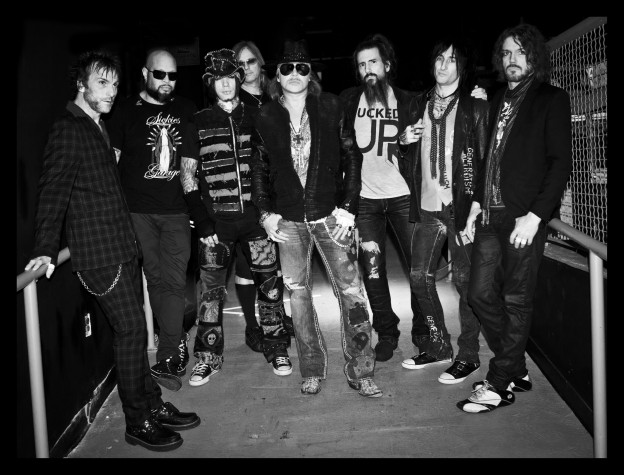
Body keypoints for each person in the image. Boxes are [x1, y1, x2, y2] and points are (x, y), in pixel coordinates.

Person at [24, 50, 199, 451]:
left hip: (119, 246)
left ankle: (151, 404)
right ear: (81, 84)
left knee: (132, 330)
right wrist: (46, 247)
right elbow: (52, 189)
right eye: (101, 83)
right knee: (133, 329)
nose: (111, 91)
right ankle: (138, 420)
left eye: (115, 84)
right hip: (98, 252)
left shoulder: (98, 125)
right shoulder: (69, 128)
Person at [340, 34, 487, 363]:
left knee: (419, 272)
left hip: (407, 198)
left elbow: (448, 119)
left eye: (373, 62)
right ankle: (387, 333)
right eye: (361, 65)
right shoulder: (348, 101)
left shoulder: (410, 102)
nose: (368, 69)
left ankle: (424, 335)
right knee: (373, 272)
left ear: (387, 65)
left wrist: (477, 98)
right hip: (365, 200)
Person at [251, 39, 382, 397]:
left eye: (302, 68)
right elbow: (258, 169)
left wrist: (349, 206)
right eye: (287, 68)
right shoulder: (265, 115)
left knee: (352, 292)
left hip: (331, 216)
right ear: (277, 75)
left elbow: (352, 157)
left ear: (311, 75)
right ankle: (311, 368)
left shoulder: (331, 106)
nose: (295, 73)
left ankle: (362, 369)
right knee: (298, 297)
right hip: (288, 221)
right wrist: (265, 214)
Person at [457, 23, 572, 413]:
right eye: (506, 53)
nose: (512, 59)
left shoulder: (551, 99)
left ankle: (498, 382)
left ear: (534, 56)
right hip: (490, 215)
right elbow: (488, 160)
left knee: (516, 299)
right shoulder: (496, 101)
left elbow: (560, 163)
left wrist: (536, 216)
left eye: (521, 52)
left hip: (524, 217)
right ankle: (516, 367)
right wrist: (475, 205)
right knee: (478, 294)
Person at [181, 48, 292, 387]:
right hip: (217, 226)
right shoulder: (198, 120)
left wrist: (272, 211)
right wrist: (202, 221)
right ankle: (208, 358)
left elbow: (274, 166)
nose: (226, 85)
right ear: (210, 84)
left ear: (238, 79)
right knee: (210, 294)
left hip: (257, 221)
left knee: (270, 288)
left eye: (231, 77)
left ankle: (277, 348)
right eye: (219, 79)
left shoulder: (258, 115)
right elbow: (188, 176)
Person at [398, 36, 489, 386]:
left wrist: (476, 209)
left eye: (451, 59)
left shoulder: (474, 106)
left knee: (465, 283)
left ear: (462, 67)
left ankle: (469, 355)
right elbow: (405, 156)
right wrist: (404, 141)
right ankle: (438, 346)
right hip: (427, 206)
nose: (443, 65)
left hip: (460, 207)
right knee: (418, 277)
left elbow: (485, 162)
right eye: (439, 58)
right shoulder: (416, 104)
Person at [108, 48, 198, 392]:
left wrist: (196, 209)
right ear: (145, 73)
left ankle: (169, 356)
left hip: (176, 211)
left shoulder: (186, 109)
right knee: (155, 282)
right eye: (159, 74)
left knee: (173, 283)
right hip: (137, 213)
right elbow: (112, 162)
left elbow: (189, 165)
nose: (166, 81)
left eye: (172, 75)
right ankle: (176, 342)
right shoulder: (124, 111)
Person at [232, 40, 295, 352]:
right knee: (247, 264)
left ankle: (277, 316)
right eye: (240, 64)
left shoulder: (276, 95)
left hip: (276, 187)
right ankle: (252, 326)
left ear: (260, 63)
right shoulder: (233, 100)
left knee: (274, 261)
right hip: (244, 189)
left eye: (251, 61)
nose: (246, 68)